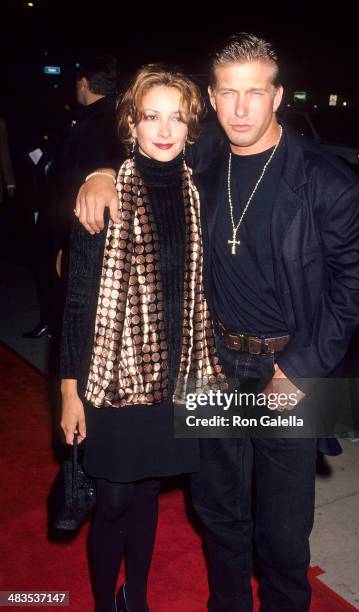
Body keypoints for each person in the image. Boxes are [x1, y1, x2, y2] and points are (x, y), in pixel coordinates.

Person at [74, 33, 359, 612]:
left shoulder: (328, 182)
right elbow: (140, 146)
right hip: (211, 364)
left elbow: (358, 285)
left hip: (287, 369)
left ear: (278, 96)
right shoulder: (204, 160)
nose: (242, 108)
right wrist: (97, 174)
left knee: (283, 531)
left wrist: (300, 369)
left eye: (256, 93)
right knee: (219, 511)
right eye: (229, 94)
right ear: (212, 100)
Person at [60, 64, 225, 612]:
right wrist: (68, 393)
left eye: (176, 117)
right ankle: (105, 603)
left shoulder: (198, 194)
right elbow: (79, 302)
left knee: (150, 493)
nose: (164, 128)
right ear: (131, 121)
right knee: (112, 500)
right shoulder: (105, 197)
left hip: (176, 380)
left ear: (191, 126)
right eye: (151, 115)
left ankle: (139, 597)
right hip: (113, 380)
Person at [24, 54, 124, 339]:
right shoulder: (119, 115)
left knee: (64, 280)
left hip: (79, 218)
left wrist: (60, 233)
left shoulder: (87, 121)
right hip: (98, 216)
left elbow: (71, 178)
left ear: (84, 82)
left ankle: (58, 327)